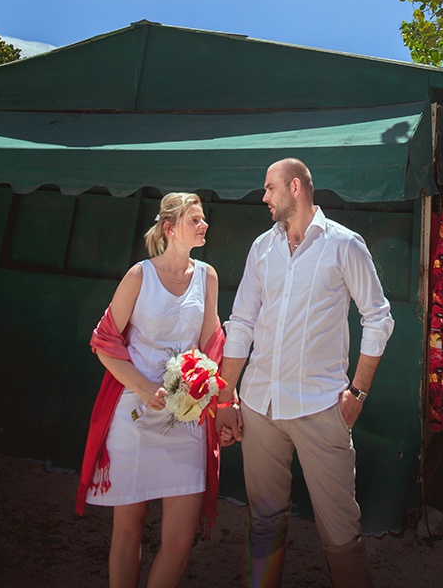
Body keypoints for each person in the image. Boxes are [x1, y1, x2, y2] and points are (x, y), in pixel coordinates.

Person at [217, 158, 394, 588]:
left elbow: (379, 318)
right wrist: (225, 397)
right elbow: (240, 324)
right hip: (260, 406)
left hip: (320, 408)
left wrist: (359, 392)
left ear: (295, 187)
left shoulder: (345, 245)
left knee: (340, 532)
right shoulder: (262, 248)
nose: (264, 196)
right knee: (263, 519)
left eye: (269, 187)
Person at [75, 193, 228, 588]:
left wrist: (222, 400)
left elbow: (214, 345)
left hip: (186, 421)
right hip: (136, 416)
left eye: (203, 218)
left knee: (179, 542)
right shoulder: (139, 276)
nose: (203, 225)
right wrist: (143, 388)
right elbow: (104, 342)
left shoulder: (208, 276)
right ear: (169, 228)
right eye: (195, 219)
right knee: (128, 531)